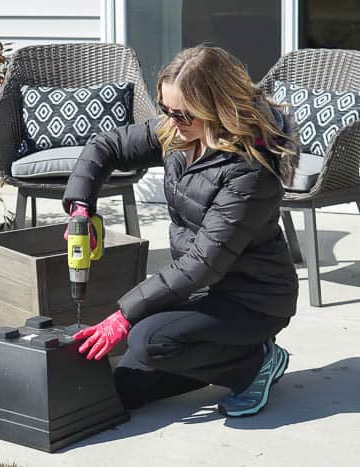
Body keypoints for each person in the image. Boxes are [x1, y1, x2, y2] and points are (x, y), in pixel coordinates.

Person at [62, 45, 300, 417]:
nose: (170, 123)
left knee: (146, 340)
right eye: (166, 110)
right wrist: (81, 208)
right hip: (199, 295)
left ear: (215, 108)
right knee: (120, 392)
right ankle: (217, 356)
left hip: (251, 301)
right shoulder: (180, 133)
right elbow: (106, 145)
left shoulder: (249, 172)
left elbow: (202, 263)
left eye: (182, 114)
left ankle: (255, 362)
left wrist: (123, 315)